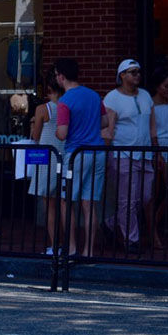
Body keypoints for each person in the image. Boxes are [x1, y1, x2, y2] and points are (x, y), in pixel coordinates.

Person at [53, 58, 108, 257]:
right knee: (89, 203)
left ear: (61, 76)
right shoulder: (94, 95)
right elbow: (104, 122)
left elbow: (62, 132)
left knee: (67, 201)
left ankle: (72, 247)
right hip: (98, 152)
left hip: (76, 154)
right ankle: (89, 251)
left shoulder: (65, 101)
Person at [103, 59, 155, 255]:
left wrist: (155, 148)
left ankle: (110, 223)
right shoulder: (112, 98)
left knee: (145, 196)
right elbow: (108, 129)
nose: (137, 75)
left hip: (145, 153)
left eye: (139, 72)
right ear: (122, 75)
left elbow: (152, 125)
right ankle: (130, 239)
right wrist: (106, 155)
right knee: (127, 199)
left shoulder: (145, 96)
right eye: (132, 72)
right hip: (123, 154)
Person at [28, 67, 64, 255]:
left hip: (47, 156)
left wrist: (33, 122)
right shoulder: (68, 106)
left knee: (49, 203)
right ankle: (68, 244)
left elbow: (35, 136)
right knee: (65, 203)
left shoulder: (43, 108)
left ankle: (55, 244)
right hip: (65, 154)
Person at [147, 68, 168, 251]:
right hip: (160, 148)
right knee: (154, 192)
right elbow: (152, 130)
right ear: (158, 86)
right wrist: (157, 152)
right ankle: (152, 230)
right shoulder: (151, 105)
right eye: (166, 86)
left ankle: (154, 223)